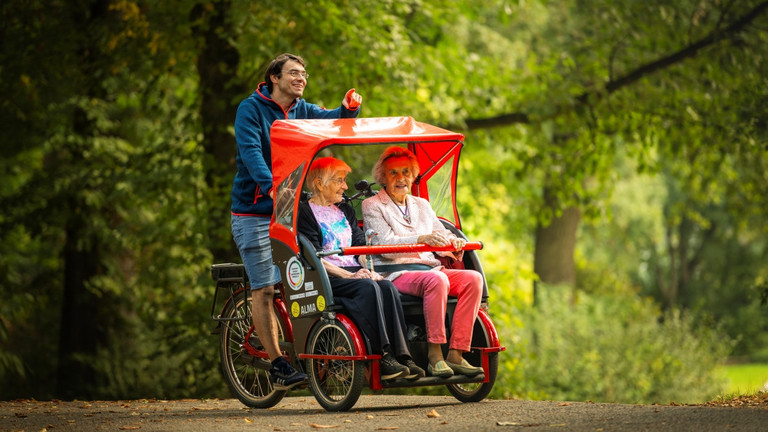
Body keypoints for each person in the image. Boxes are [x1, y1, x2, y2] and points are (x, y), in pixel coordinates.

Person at [230, 53, 363, 389]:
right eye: (293, 73)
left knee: (302, 281)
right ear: (274, 77)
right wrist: (275, 190)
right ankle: (277, 365)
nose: (301, 78)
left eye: (304, 73)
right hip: (256, 212)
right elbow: (252, 154)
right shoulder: (251, 109)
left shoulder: (303, 110)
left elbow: (334, 121)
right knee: (264, 288)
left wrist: (348, 109)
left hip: (291, 212)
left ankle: (311, 349)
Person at [297, 157, 425, 380]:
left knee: (385, 286)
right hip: (327, 276)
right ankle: (382, 356)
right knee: (368, 288)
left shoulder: (344, 209)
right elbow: (313, 256)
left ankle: (403, 356)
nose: (345, 186)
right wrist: (351, 274)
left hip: (353, 272)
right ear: (319, 183)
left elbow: (359, 246)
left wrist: (369, 268)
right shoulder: (305, 213)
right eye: (340, 181)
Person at [362, 146, 484, 378]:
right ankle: (434, 355)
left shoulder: (422, 205)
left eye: (406, 172)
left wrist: (453, 243)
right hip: (395, 272)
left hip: (429, 268)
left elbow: (440, 234)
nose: (401, 178)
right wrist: (421, 238)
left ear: (414, 175)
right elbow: (385, 245)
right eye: (394, 173)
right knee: (436, 279)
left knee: (473, 279)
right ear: (383, 178)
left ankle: (456, 354)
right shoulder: (373, 205)